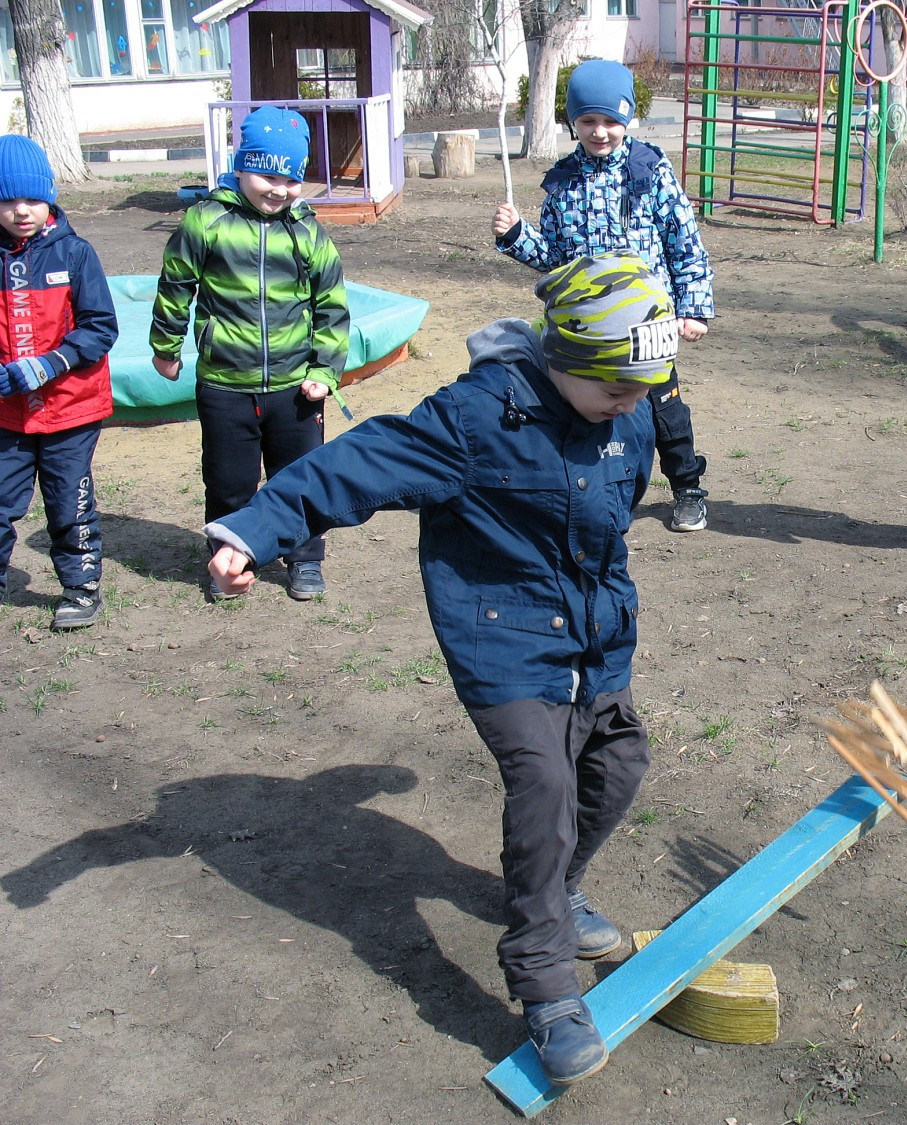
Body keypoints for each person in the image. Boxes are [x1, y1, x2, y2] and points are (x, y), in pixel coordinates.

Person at [204, 254, 672, 1087]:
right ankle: (545, 978)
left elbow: (622, 497)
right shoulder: (475, 420)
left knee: (619, 764)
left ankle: (555, 889)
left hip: (598, 639)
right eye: (616, 390)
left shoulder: (626, 411)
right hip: (504, 640)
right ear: (562, 360)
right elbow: (359, 462)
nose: (632, 407)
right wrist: (253, 528)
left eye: (644, 389)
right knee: (544, 784)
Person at [492, 58, 715, 533]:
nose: (600, 132)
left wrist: (693, 307)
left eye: (611, 120)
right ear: (572, 121)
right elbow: (554, 257)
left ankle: (688, 487)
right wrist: (517, 235)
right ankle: (602, 491)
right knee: (591, 411)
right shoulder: (560, 181)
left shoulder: (649, 170)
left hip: (648, 321)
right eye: (588, 121)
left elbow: (684, 241)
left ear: (628, 119)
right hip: (587, 328)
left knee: (663, 408)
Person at [150, 105, 349, 601]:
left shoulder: (307, 233)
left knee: (299, 477)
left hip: (294, 385)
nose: (279, 190)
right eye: (266, 175)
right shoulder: (205, 222)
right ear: (241, 168)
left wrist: (325, 368)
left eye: (292, 179)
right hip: (224, 384)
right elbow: (176, 286)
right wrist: (166, 347)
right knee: (229, 483)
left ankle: (303, 558)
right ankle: (227, 561)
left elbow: (332, 304)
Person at [0, 134, 120, 630]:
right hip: (8, 414)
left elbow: (101, 328)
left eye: (30, 199)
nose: (20, 211)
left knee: (68, 499)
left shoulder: (75, 254)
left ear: (49, 197)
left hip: (70, 409)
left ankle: (80, 587)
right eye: (6, 201)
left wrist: (48, 365)